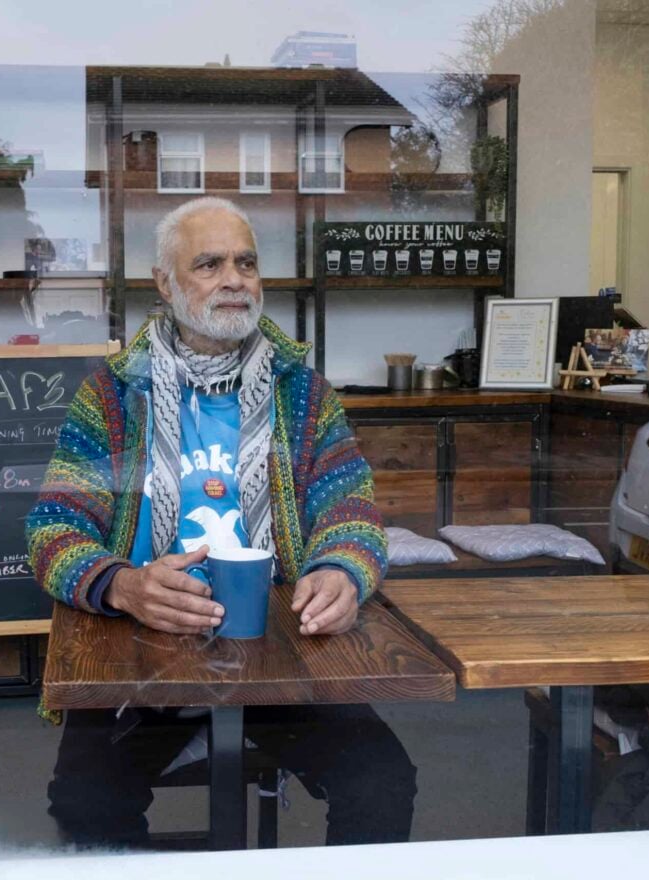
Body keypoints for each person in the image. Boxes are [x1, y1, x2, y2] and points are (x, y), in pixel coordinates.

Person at [26, 197, 414, 848]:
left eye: (246, 262)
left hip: (279, 653)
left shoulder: (302, 393)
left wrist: (341, 570)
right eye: (209, 264)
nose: (235, 279)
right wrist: (122, 584)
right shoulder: (115, 397)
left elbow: (352, 510)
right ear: (166, 284)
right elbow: (52, 528)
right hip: (143, 658)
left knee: (381, 779)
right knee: (86, 801)